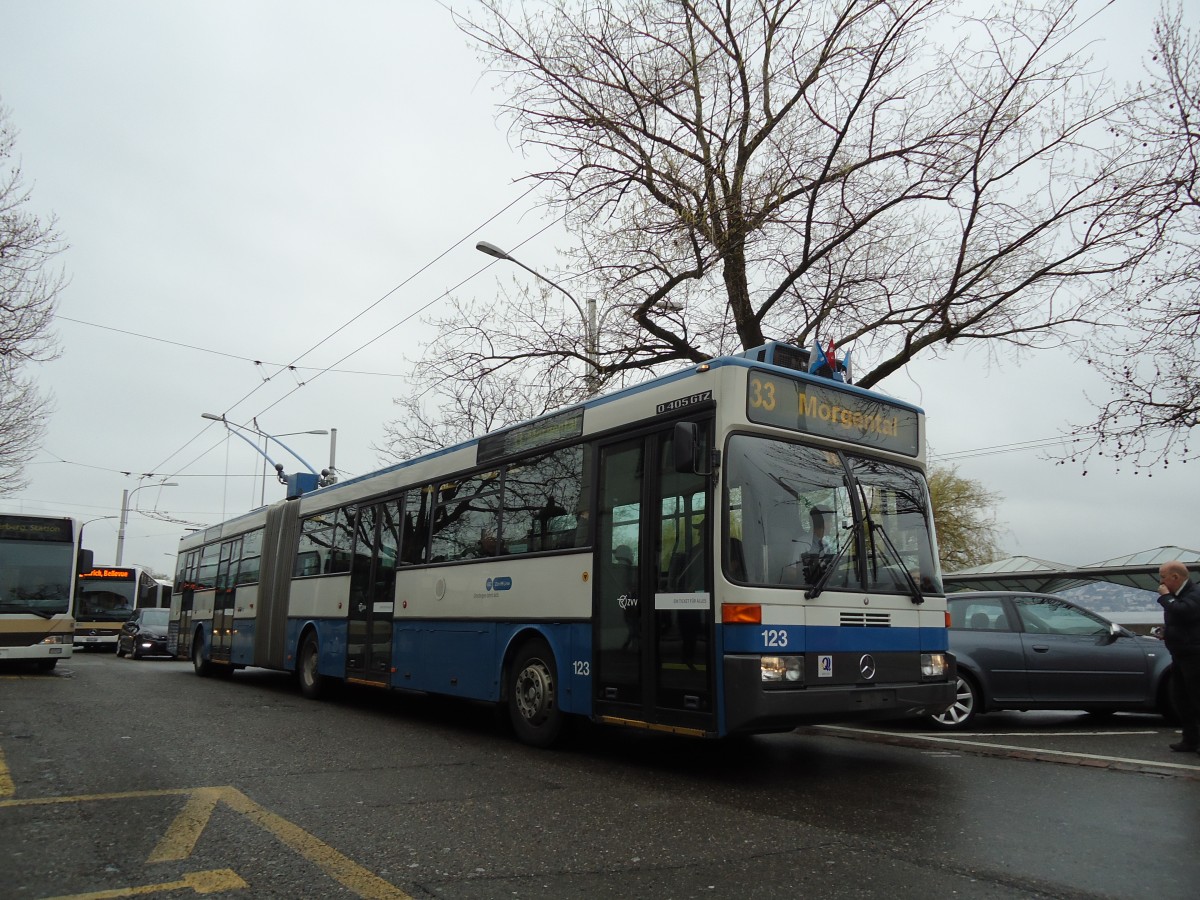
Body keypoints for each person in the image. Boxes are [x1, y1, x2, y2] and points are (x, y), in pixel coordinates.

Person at [1157, 561, 1200, 753]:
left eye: (1163, 576)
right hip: (1179, 653)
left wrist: (1165, 597)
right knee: (1181, 698)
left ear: (1175, 577)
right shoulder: (1178, 596)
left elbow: (1184, 612)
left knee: (1197, 698)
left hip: (1195, 654)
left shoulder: (1195, 593)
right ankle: (1190, 739)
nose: (1161, 582)